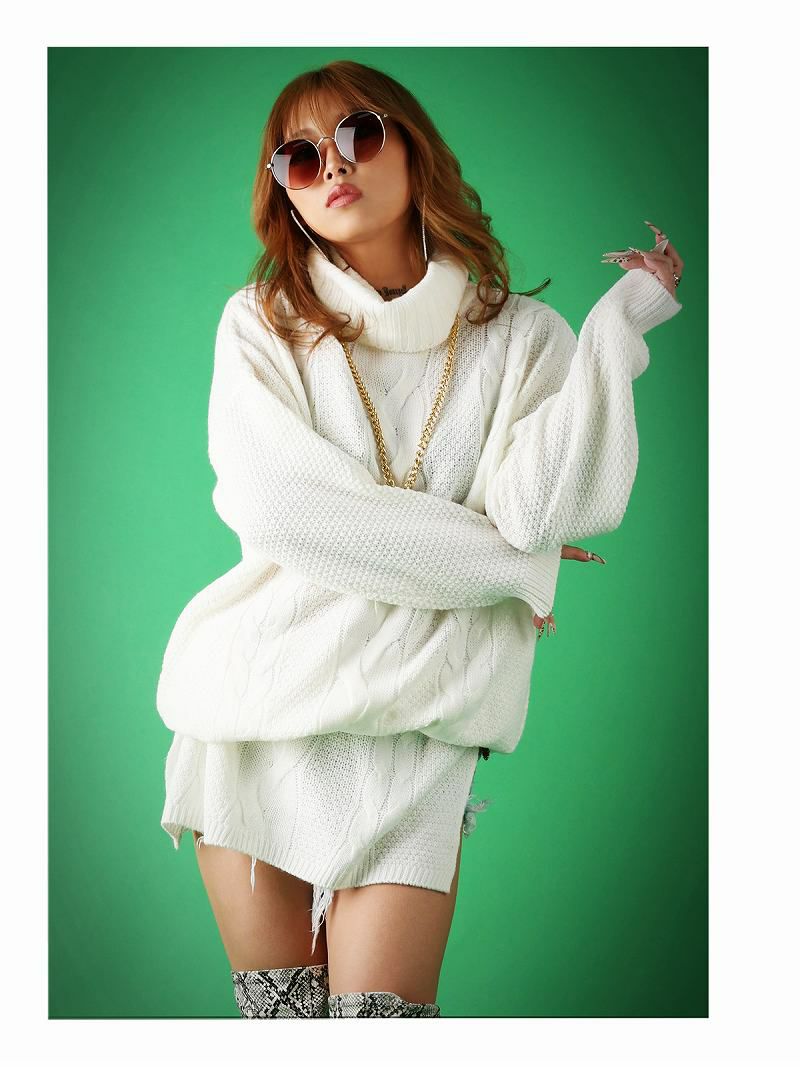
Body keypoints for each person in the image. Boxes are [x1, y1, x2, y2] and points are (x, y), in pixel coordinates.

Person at [156, 58, 684, 1019]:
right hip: (254, 714)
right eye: (299, 157)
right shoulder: (262, 326)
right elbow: (287, 511)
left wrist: (617, 332)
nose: (331, 166)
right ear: (285, 192)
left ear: (411, 145)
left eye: (356, 134)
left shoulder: (525, 340)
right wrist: (509, 568)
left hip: (419, 735)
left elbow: (542, 507)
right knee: (282, 1030)